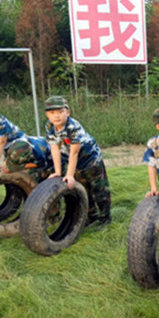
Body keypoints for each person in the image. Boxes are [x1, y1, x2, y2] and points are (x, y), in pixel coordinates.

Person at [44, 96, 111, 226]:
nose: (56, 116)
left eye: (60, 112)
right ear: (47, 115)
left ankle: (105, 218)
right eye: (52, 113)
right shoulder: (49, 126)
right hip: (73, 161)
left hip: (90, 160)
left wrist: (69, 174)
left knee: (99, 189)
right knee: (83, 189)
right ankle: (91, 216)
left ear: (67, 112)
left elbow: (75, 152)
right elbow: (55, 148)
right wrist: (58, 172)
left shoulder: (73, 127)